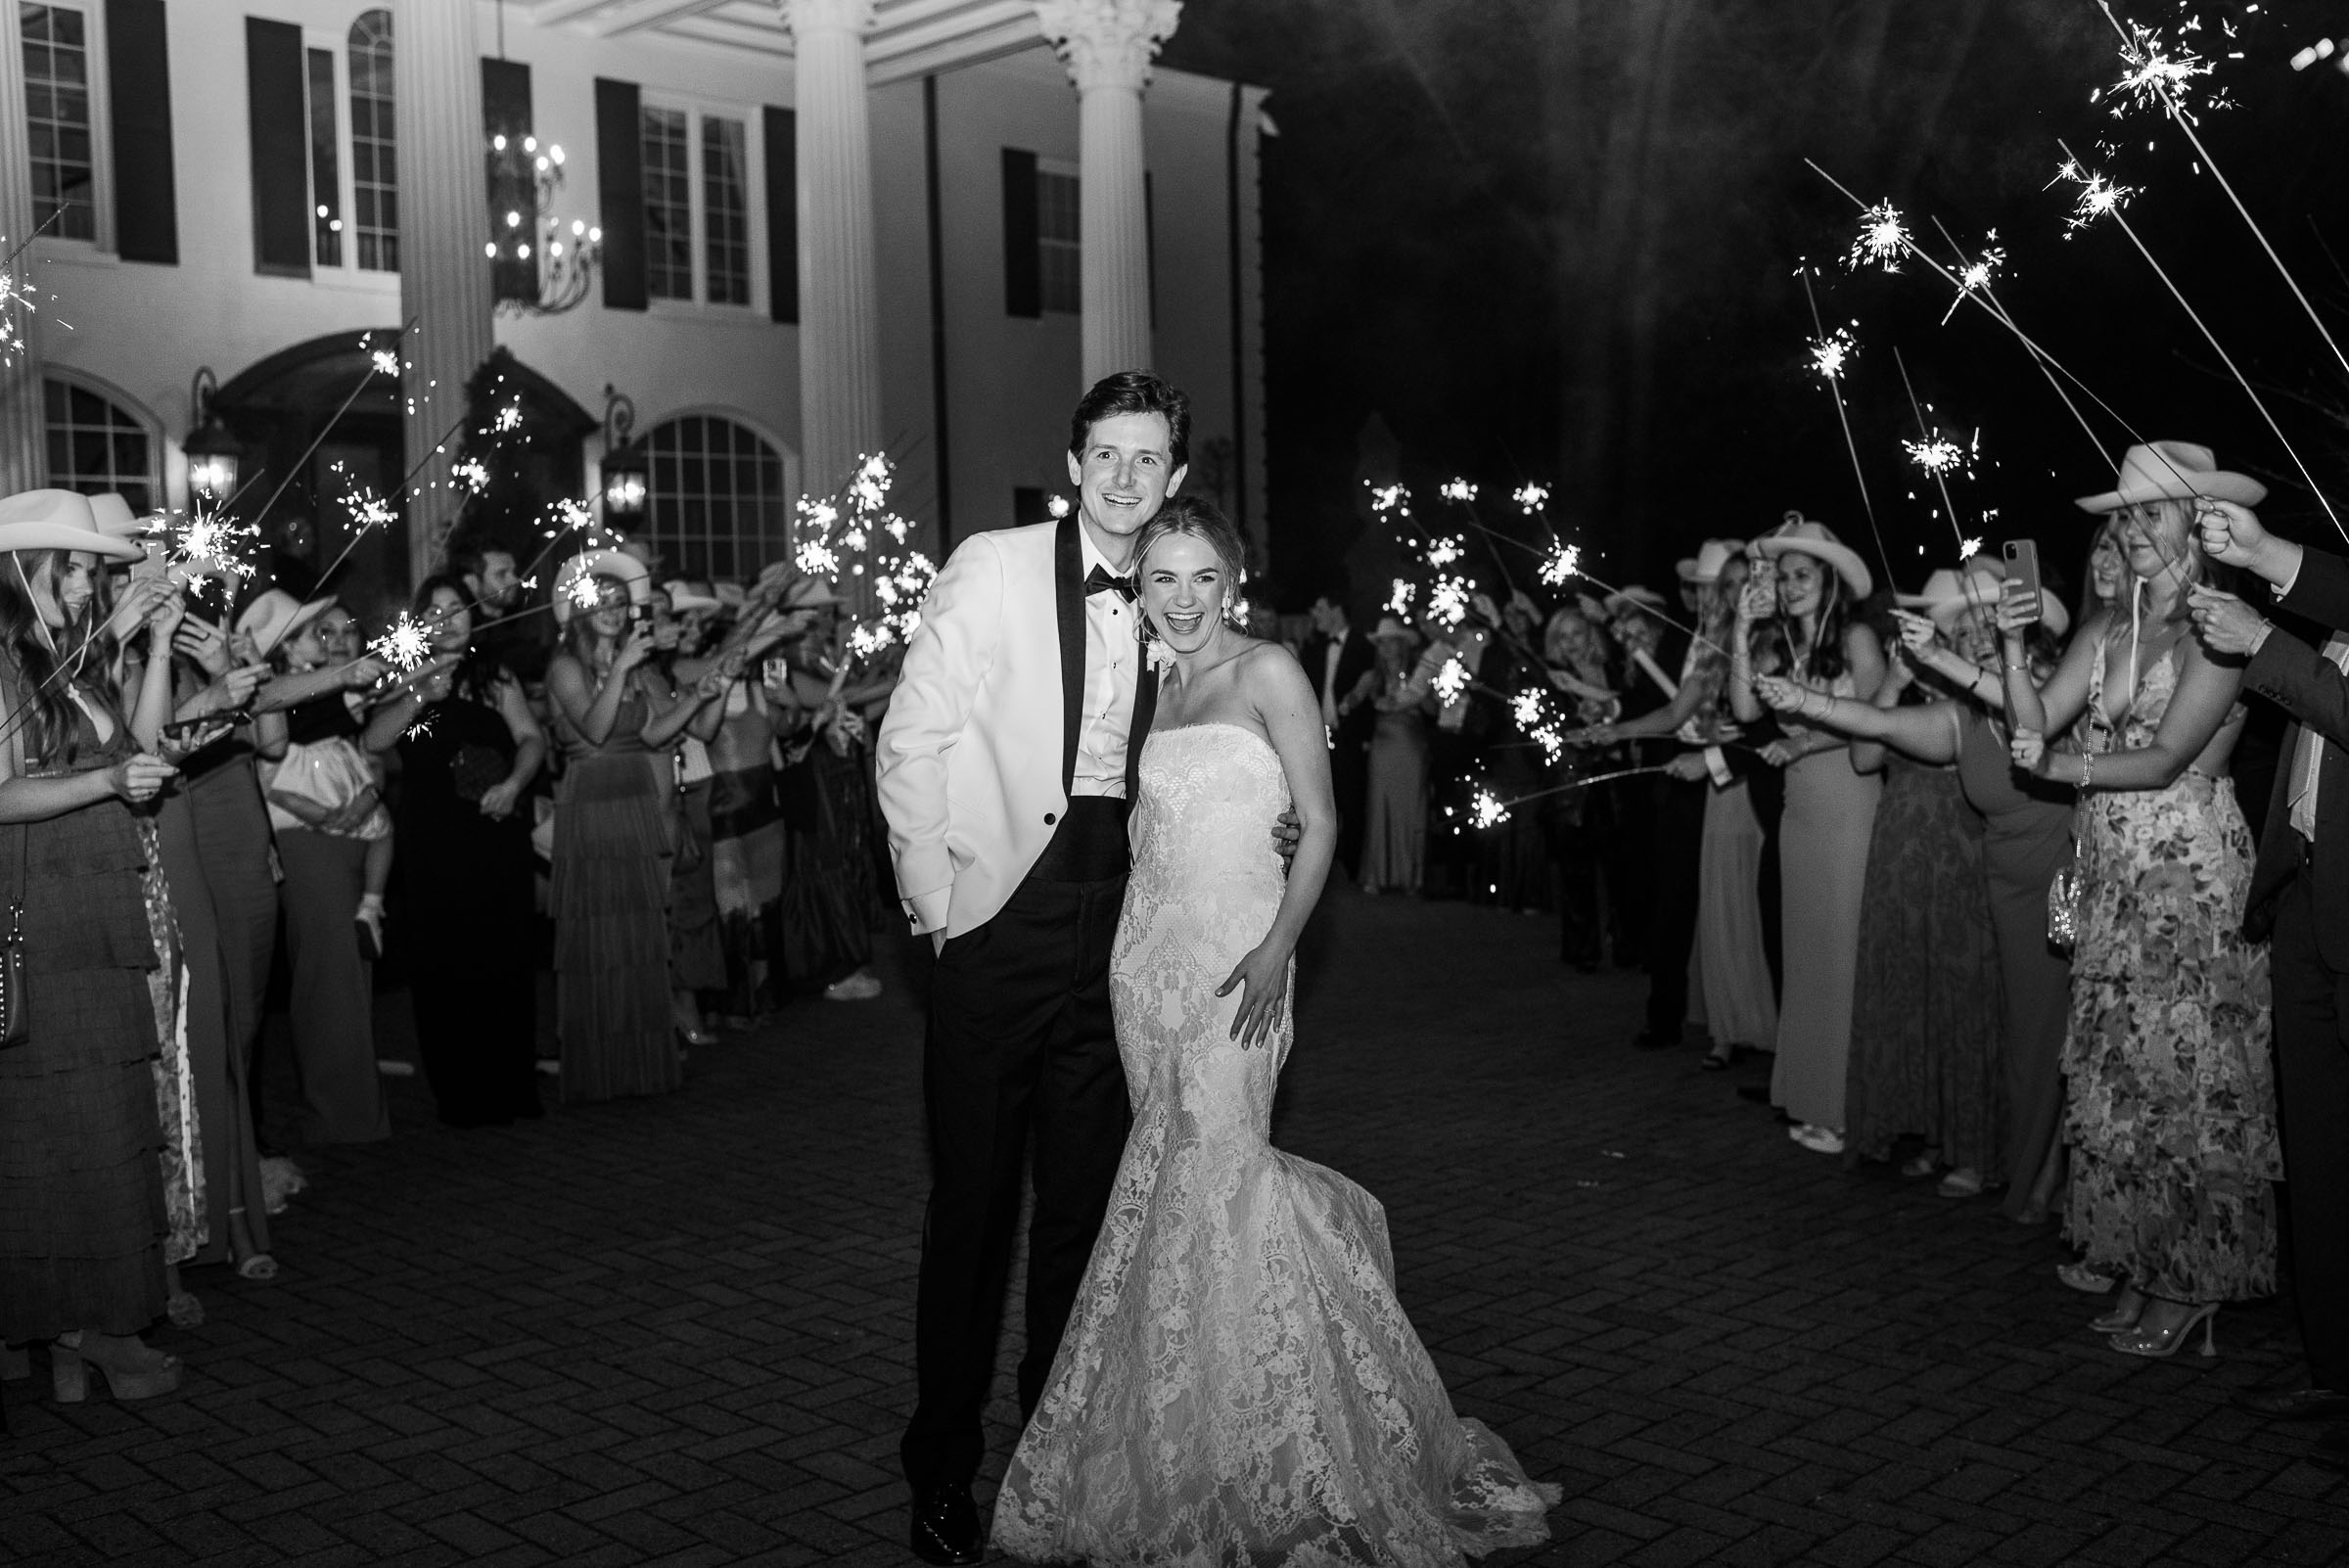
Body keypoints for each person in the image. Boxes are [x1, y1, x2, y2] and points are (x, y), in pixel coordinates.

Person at [992, 498, 1558, 1564]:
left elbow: (1323, 822)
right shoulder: (1155, 685)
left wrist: (1273, 951)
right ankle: (1194, 1434)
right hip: (1145, 968)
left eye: (1204, 576)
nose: (1186, 597)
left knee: (1222, 1169)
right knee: (1170, 1187)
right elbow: (1153, 832)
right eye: (1165, 578)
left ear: (1232, 579)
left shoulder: (1269, 672)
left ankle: (1289, 1439)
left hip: (1238, 961)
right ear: (1141, 588)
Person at [881, 372, 1284, 1566]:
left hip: (1126, 929)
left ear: (1174, 474)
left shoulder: (1178, 604)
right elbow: (913, 737)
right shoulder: (993, 564)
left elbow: (1236, 744)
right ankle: (942, 1470)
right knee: (971, 1210)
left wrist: (1266, 827)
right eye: (1106, 454)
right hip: (996, 922)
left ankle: (1056, 1458)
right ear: (1074, 463)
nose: (1124, 478)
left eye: (1147, 459)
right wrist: (940, 909)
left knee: (1081, 1215)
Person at [2003, 442, 2277, 1358]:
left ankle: (2192, 1280)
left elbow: (2164, 760)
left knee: (2186, 1084)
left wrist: (2064, 766)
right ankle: (2137, 1260)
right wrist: (2008, 648)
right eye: (2125, 513)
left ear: (2195, 524)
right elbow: (2033, 720)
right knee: (2124, 1082)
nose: (2133, 528)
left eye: (2151, 512)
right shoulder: (2109, 628)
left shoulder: (2218, 626)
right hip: (2113, 873)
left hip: (2188, 871)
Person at [0, 489, 184, 1402]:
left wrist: (152, 649)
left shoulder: (68, 666)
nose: (89, 579)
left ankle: (89, 1327)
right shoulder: (2, 669)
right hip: (40, 906)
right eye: (73, 568)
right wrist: (106, 780)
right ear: (24, 574)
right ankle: (78, 1326)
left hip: (96, 911)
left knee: (100, 1128)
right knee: (54, 1133)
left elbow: (138, 749)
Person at [2183, 498, 2349, 1419]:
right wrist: (2266, 550)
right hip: (2309, 898)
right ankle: (2334, 1365)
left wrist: (2264, 642)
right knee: (2320, 1151)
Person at [1766, 568, 2002, 1195]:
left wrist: (1810, 708)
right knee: (1915, 993)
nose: (1967, 636)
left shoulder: (1989, 702)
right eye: (1955, 627)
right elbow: (1865, 756)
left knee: (1964, 998)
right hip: (1900, 843)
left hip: (1959, 846)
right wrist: (1894, 683)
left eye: (1979, 624)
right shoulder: (1921, 689)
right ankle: (1933, 1133)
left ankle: (1975, 1147)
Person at [544, 549, 733, 1102]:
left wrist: (701, 694)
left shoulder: (636, 665)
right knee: (599, 934)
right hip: (592, 801)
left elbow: (654, 735)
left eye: (620, 601)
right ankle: (601, 1061)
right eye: (601, 600)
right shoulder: (565, 667)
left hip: (636, 799)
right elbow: (596, 729)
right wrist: (623, 665)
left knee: (642, 934)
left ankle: (640, 1059)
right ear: (578, 610)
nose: (611, 608)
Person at [362, 575, 545, 1128]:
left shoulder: (495, 675)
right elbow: (373, 742)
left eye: (456, 608)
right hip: (434, 839)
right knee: (445, 963)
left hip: (494, 831)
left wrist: (514, 784)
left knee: (504, 955)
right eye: (435, 611)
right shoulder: (404, 676)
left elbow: (532, 738)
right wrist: (421, 693)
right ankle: (459, 1093)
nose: (447, 618)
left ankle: (511, 1085)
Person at [1729, 517, 1885, 1155]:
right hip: (1800, 814)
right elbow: (1743, 711)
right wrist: (1742, 628)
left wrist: (1802, 740)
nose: (1791, 587)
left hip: (1850, 802)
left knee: (1843, 954)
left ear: (1828, 578)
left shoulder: (1856, 637)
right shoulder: (1777, 643)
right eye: (1784, 576)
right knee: (1806, 954)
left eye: (1802, 575)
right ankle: (1811, 1095)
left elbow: (1876, 722)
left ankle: (1849, 1107)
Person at [249, 595, 394, 1146]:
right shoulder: (273, 692)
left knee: (348, 975)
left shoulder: (334, 687)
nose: (329, 640)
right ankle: (341, 1114)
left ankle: (355, 1108)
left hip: (352, 831)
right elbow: (272, 765)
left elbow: (370, 746)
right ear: (285, 643)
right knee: (325, 979)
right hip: (307, 838)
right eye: (315, 631)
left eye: (335, 630)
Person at [1302, 588, 1377, 879]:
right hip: (1316, 739)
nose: (1314, 616)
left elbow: (1371, 694)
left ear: (1336, 610)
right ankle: (1321, 867)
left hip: (1350, 737)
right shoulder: (1314, 648)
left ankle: (1354, 866)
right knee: (1319, 804)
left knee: (1353, 801)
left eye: (1319, 609)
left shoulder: (1364, 647)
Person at [1359, 615, 1430, 894]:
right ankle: (1377, 874)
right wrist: (1352, 701)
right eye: (1382, 643)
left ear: (1403, 645)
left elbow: (1433, 711)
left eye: (1391, 642)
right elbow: (1353, 699)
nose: (1386, 648)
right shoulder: (1372, 677)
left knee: (1412, 808)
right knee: (1380, 806)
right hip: (1383, 746)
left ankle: (1412, 877)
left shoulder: (1419, 676)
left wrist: (1420, 700)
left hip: (1411, 745)